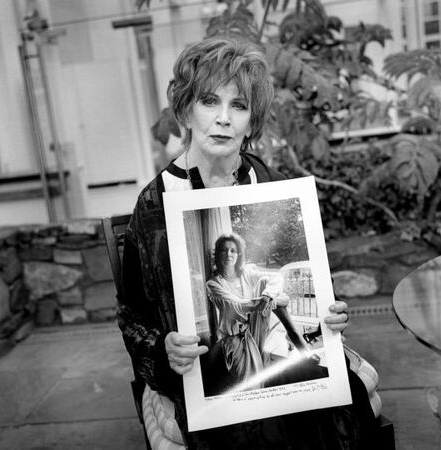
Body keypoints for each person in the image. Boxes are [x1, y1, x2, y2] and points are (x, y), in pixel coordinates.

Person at [118, 36, 376, 449]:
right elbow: (133, 315)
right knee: (252, 426)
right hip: (208, 373)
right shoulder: (155, 204)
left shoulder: (270, 184)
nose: (223, 119)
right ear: (185, 109)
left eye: (238, 106)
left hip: (266, 347)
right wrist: (164, 350)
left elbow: (317, 283)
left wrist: (332, 311)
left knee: (335, 397)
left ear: (251, 121)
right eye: (209, 101)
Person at [204, 232, 321, 394]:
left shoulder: (247, 273)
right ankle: (297, 341)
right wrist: (273, 300)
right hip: (235, 337)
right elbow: (235, 306)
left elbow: (277, 278)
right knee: (250, 384)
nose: (228, 254)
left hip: (256, 327)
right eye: (224, 250)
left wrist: (268, 296)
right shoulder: (214, 284)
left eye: (233, 250)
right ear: (217, 254)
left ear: (238, 254)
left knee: (266, 283)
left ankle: (299, 343)